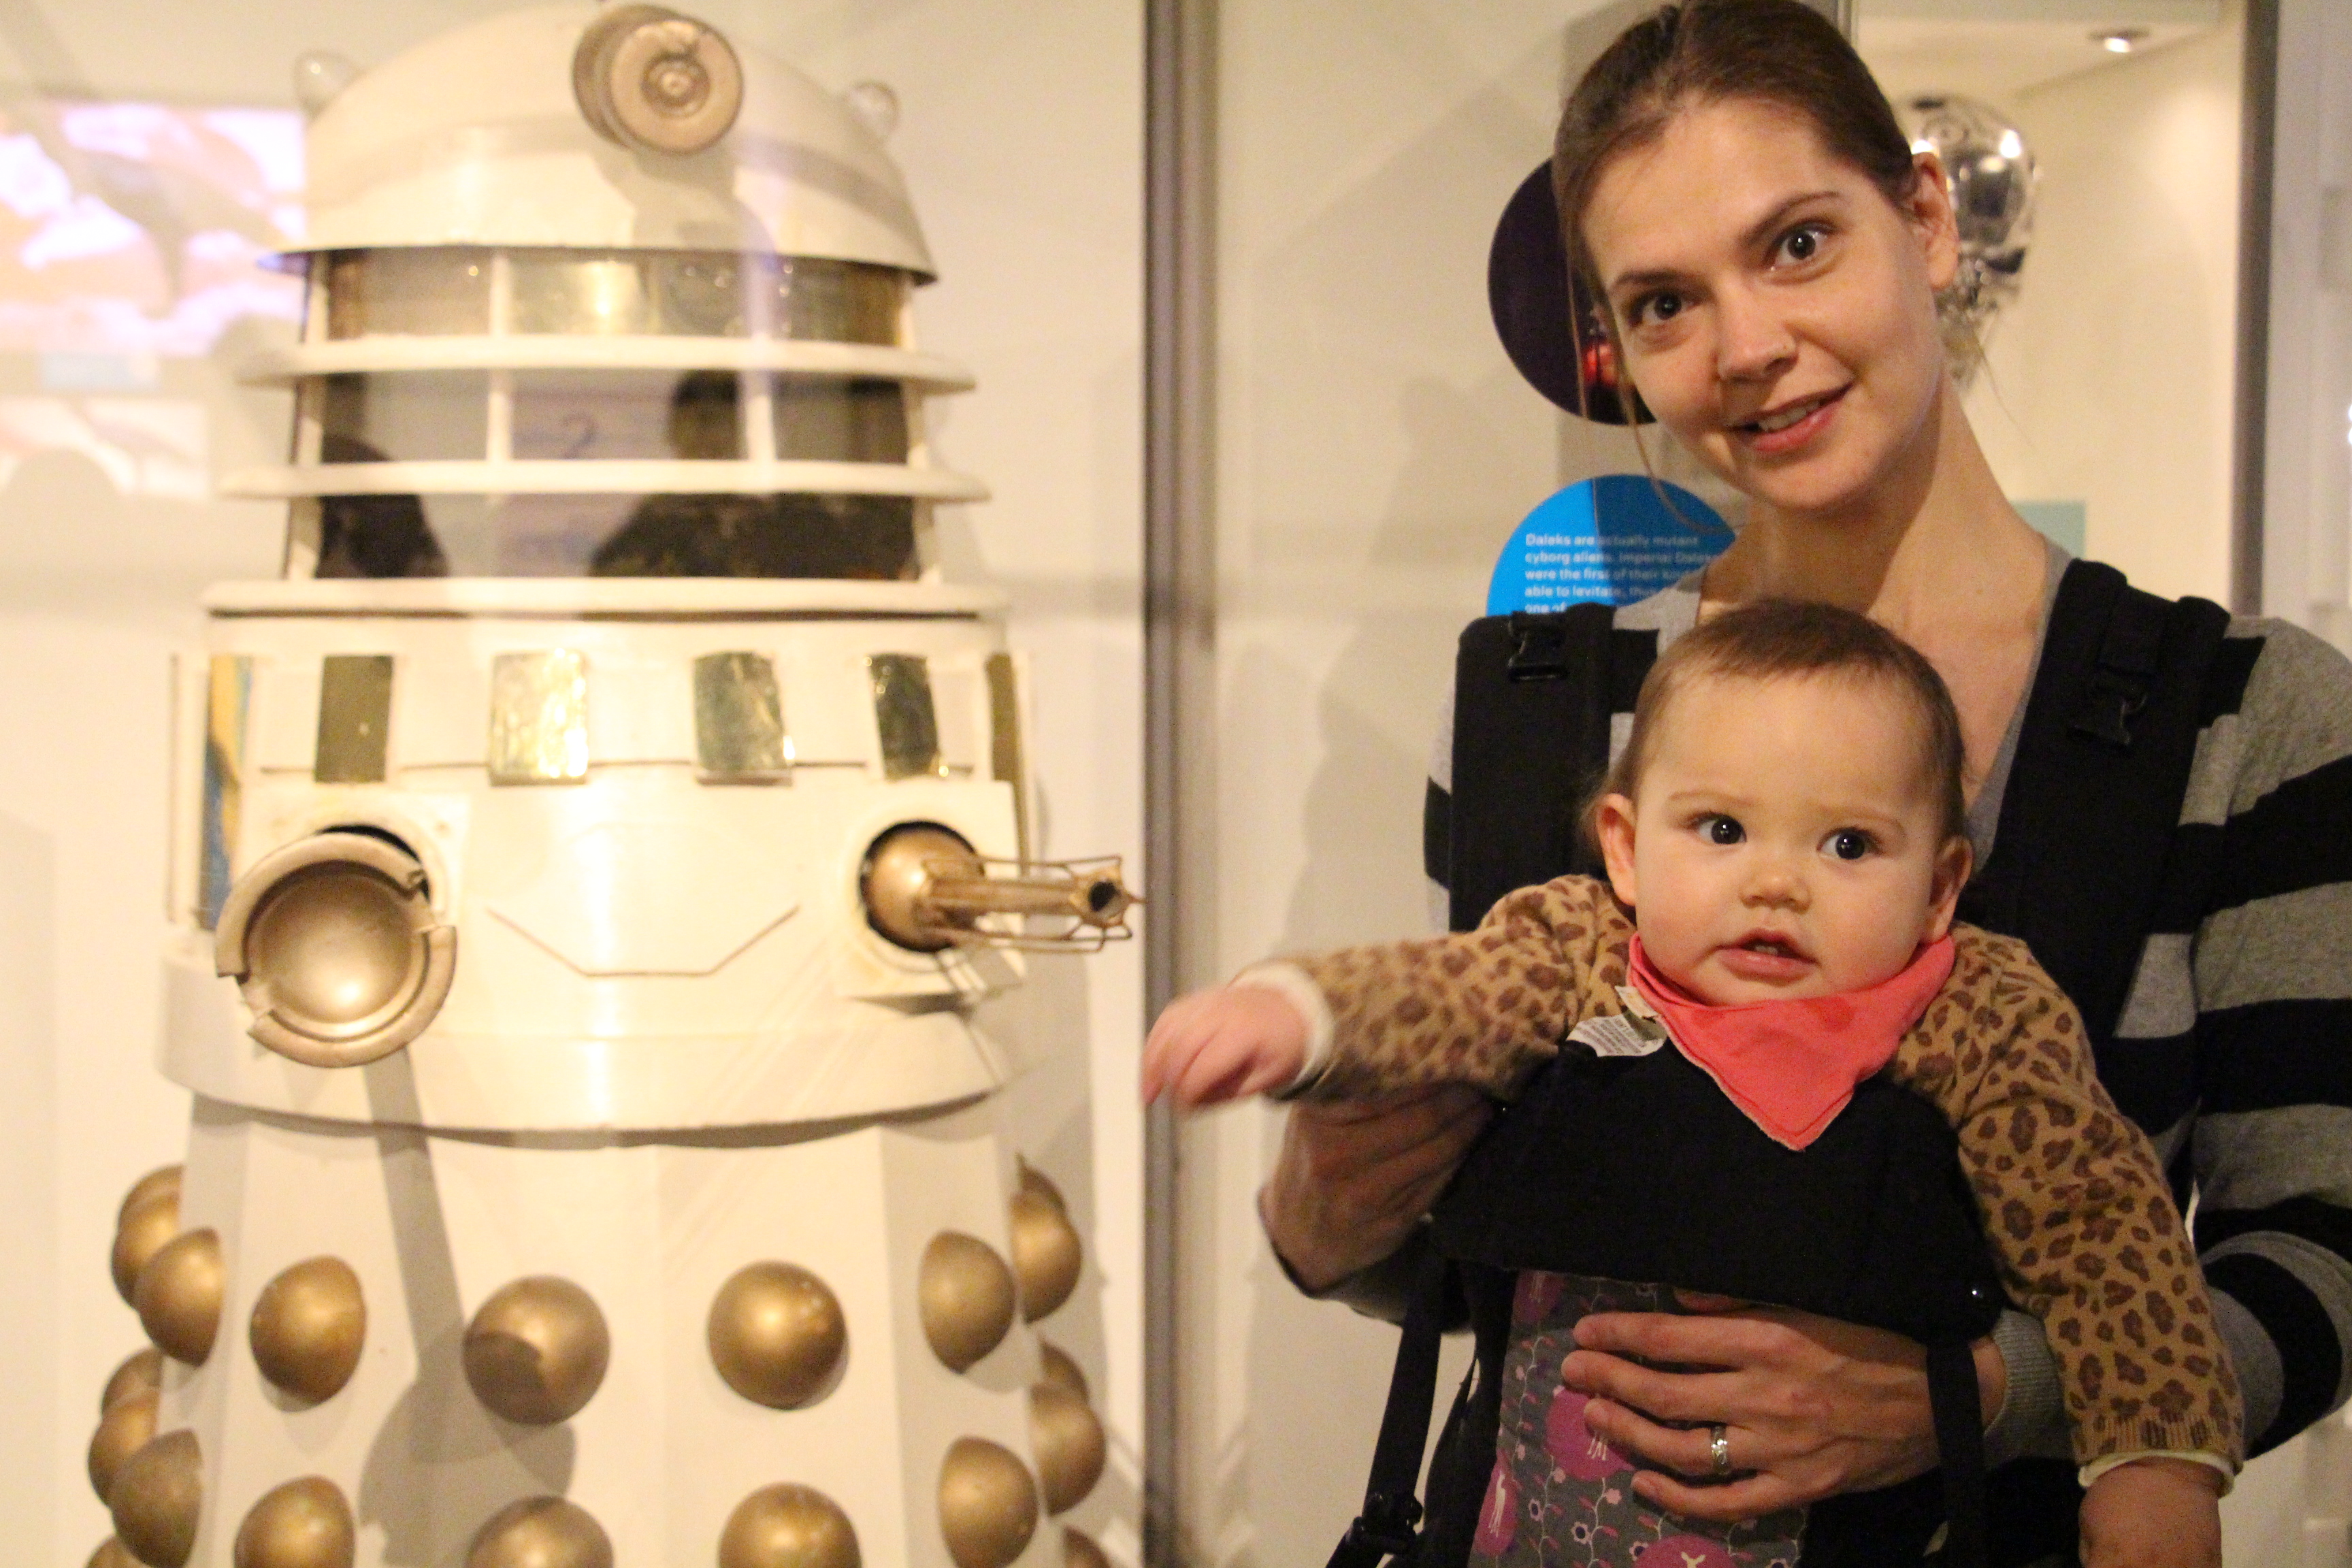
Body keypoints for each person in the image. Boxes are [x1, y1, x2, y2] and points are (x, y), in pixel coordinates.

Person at [1256, 0, 2352, 1557]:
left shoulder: (2245, 719)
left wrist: (1968, 1395)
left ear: (1926, 219)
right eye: (1665, 303)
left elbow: (2321, 1254)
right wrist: (1325, 1217)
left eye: (1797, 244)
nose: (1748, 347)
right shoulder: (1537, 705)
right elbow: (1475, 1254)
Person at [1149, 601, 2238, 1567]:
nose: (1777, 882)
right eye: (1722, 830)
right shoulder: (1581, 949)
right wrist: (1299, 1013)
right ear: (1625, 849)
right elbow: (1444, 991)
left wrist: (2158, 1465)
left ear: (1943, 885)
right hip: (1536, 1522)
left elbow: (2105, 1230)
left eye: (1848, 845)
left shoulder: (1976, 1010)